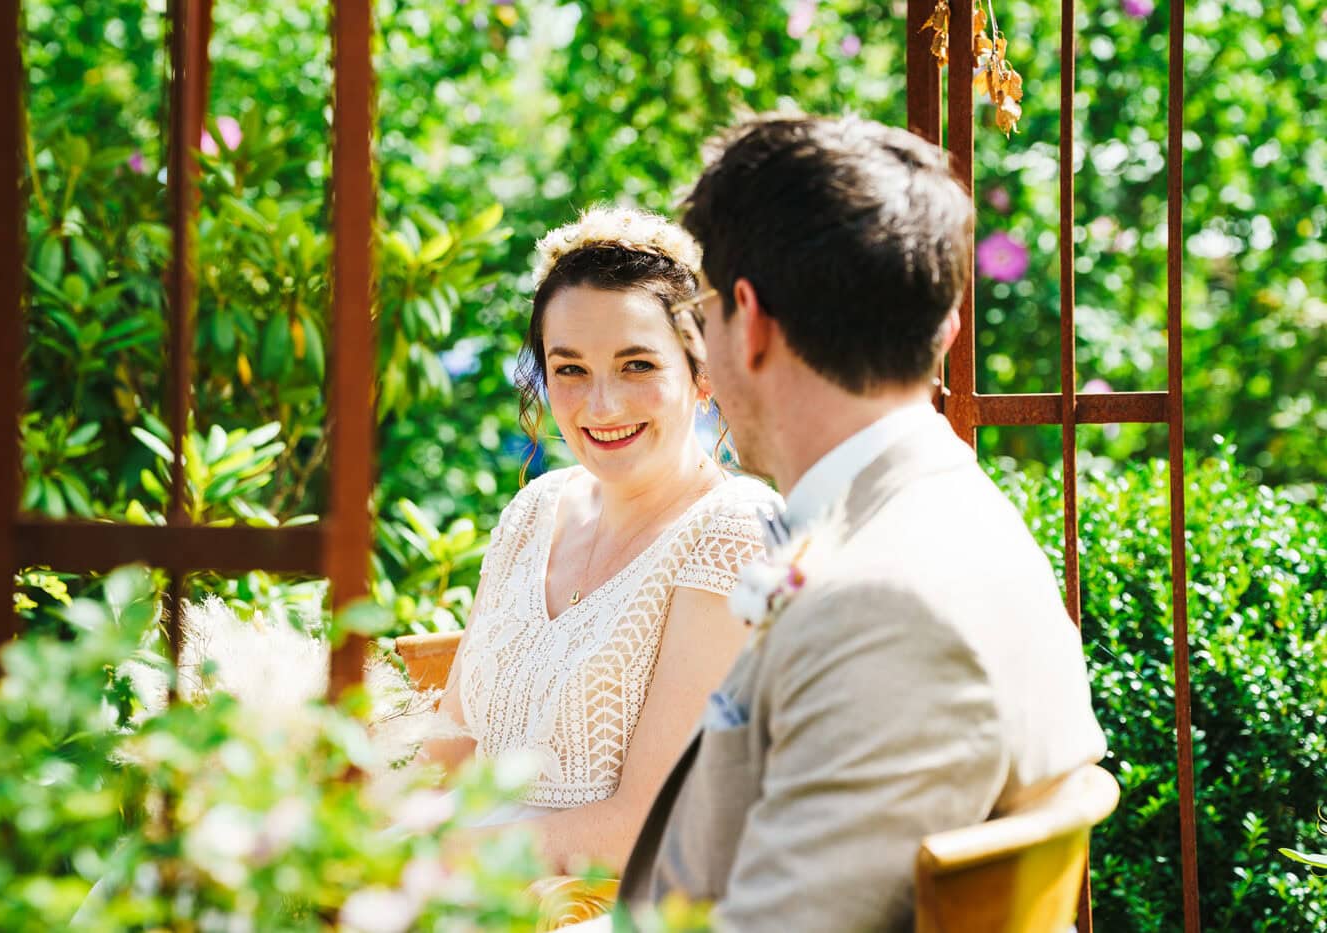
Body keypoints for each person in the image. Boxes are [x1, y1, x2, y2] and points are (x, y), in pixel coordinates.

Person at [586, 115, 1107, 931]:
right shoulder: (934, 515)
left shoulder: (887, 602)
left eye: (704, 314)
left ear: (750, 322)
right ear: (947, 328)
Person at [417, 207, 781, 881]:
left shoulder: (737, 531)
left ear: (704, 376)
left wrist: (435, 859)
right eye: (571, 369)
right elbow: (449, 749)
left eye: (636, 363)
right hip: (468, 896)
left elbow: (647, 823)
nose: (601, 405)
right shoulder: (534, 510)